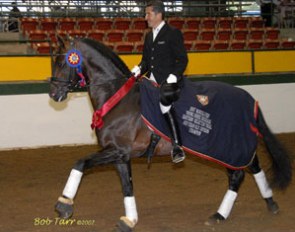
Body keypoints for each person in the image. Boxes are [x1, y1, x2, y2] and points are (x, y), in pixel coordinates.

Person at [131, 0, 188, 163]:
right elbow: (146, 62)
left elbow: (182, 60)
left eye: (148, 14)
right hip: (153, 81)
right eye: (146, 14)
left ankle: (177, 146)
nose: (145, 17)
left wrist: (174, 76)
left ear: (158, 14)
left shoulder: (173, 33)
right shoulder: (149, 36)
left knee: (164, 103)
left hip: (169, 82)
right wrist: (137, 69)